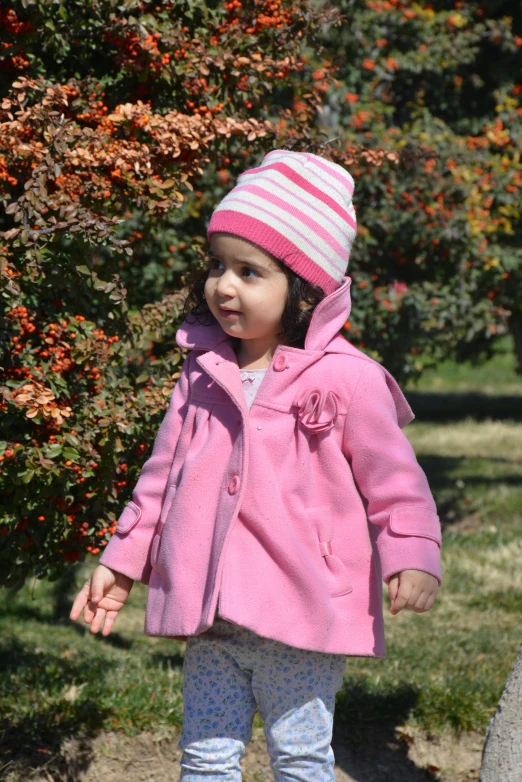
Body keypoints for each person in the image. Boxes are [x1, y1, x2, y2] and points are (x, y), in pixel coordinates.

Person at [70, 148, 442, 781]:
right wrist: (122, 561)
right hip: (210, 610)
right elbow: (160, 478)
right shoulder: (202, 372)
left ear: (303, 290)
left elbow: (396, 480)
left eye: (249, 271)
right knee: (206, 757)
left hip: (303, 611)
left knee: (299, 757)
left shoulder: (348, 380)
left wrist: (412, 551)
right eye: (217, 266)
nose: (224, 285)